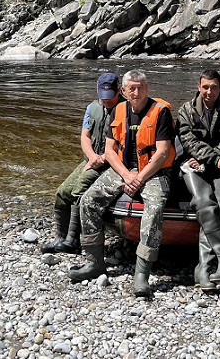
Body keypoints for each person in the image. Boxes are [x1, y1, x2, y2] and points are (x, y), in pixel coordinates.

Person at [69, 69, 175, 298]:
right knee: (88, 201)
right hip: (125, 170)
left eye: (141, 88)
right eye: (132, 89)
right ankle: (94, 263)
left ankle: (142, 274)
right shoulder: (118, 110)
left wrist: (139, 178)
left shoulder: (161, 112)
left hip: (154, 172)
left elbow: (162, 153)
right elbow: (109, 150)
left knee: (155, 207)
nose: (136, 93)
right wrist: (127, 175)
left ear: (147, 89)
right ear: (124, 91)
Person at [177, 69, 220, 291]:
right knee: (204, 203)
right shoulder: (186, 110)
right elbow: (189, 142)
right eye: (205, 87)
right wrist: (215, 159)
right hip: (195, 165)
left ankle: (203, 268)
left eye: (214, 87)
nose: (209, 91)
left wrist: (217, 158)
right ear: (199, 87)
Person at [41, 73, 122, 254]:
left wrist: (101, 159)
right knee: (62, 192)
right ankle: (60, 237)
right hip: (92, 159)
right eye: (103, 96)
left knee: (79, 189)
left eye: (111, 96)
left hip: (111, 163)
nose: (107, 101)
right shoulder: (92, 107)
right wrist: (92, 157)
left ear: (119, 90)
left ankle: (73, 240)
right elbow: (85, 136)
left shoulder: (126, 110)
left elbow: (125, 143)